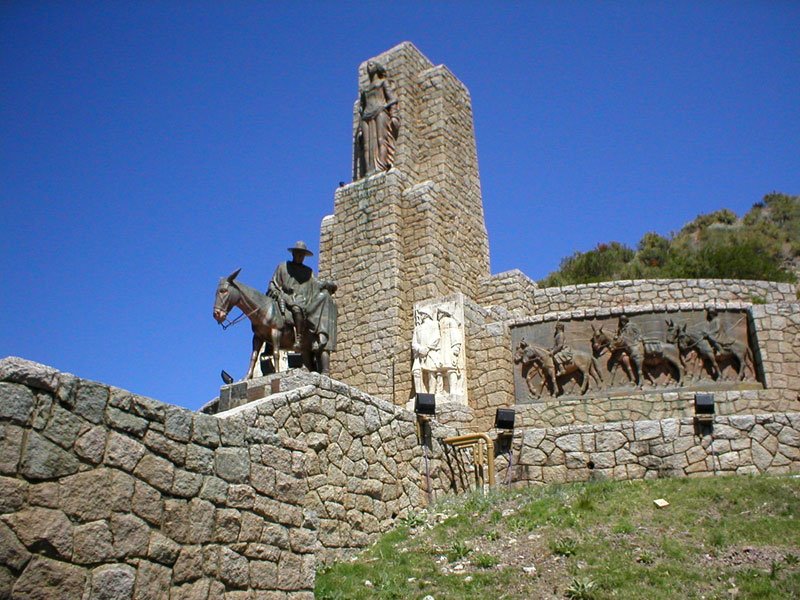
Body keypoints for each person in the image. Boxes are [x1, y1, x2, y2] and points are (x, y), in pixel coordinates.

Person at [355, 61, 400, 178]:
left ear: (377, 68)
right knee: (366, 145)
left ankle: (380, 167)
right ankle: (369, 171)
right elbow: (361, 109)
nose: (369, 67)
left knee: (381, 140)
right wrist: (359, 129)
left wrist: (394, 115)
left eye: (371, 65)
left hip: (380, 111)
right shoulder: (364, 90)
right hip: (366, 116)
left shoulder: (383, 82)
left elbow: (392, 99)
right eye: (368, 66)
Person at [412, 308, 440, 394]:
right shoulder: (418, 328)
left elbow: (436, 338)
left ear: (426, 314)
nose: (420, 316)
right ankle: (419, 394)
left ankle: (432, 393)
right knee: (416, 372)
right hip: (420, 353)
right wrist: (420, 349)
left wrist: (427, 348)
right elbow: (414, 343)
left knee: (431, 372)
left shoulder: (434, 324)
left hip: (430, 351)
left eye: (421, 314)